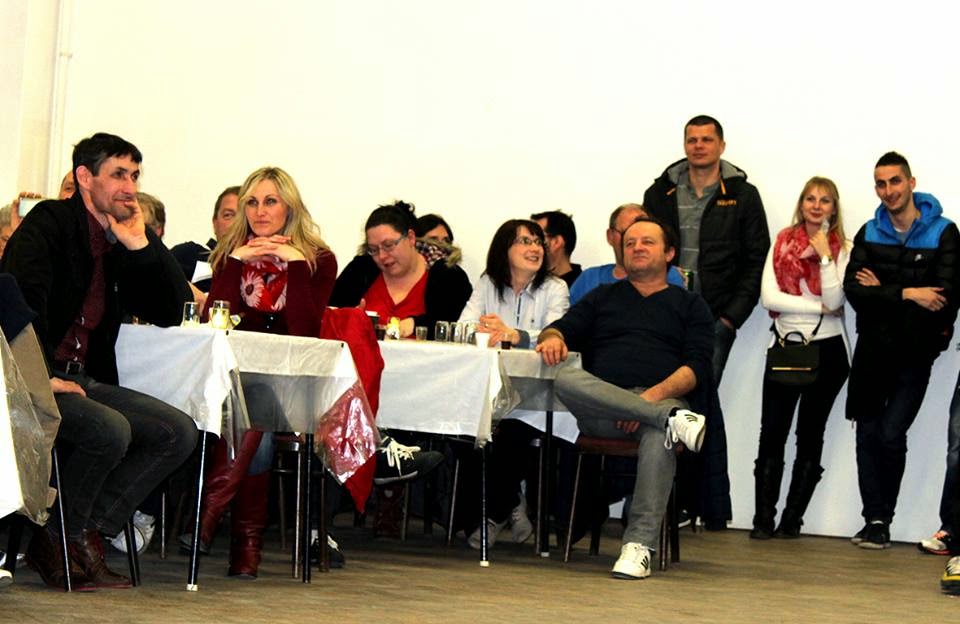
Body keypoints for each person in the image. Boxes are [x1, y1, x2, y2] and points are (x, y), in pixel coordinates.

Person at [0, 132, 197, 590]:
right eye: (119, 175)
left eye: (135, 176)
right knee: (109, 430)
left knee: (177, 432)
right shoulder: (50, 222)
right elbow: (18, 306)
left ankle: (72, 533)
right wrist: (39, 377)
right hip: (35, 377)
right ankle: (64, 538)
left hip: (85, 378)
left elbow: (171, 310)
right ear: (85, 177)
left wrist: (141, 243)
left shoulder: (117, 237)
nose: (130, 187)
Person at [537, 216, 711, 579]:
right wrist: (552, 338)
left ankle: (637, 547)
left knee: (659, 435)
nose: (637, 248)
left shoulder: (691, 305)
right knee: (565, 377)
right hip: (603, 412)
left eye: (647, 242)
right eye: (630, 243)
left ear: (669, 253)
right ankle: (669, 420)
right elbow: (560, 329)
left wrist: (648, 401)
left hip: (660, 400)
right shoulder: (602, 296)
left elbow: (696, 369)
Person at [184, 166, 337, 579]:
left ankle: (209, 515)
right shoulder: (231, 252)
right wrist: (236, 262)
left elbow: (305, 330)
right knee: (256, 414)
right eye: (251, 202)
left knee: (257, 405)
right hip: (233, 379)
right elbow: (218, 321)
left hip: (295, 382)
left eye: (270, 201)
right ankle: (245, 545)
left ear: (290, 207)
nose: (259, 211)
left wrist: (295, 264)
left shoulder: (319, 259)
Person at [844, 151, 959, 550]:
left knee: (891, 434)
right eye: (881, 183)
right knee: (867, 435)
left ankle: (884, 515)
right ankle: (875, 521)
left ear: (911, 182)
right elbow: (855, 292)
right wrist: (909, 292)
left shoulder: (944, 232)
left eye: (895, 181)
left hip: (915, 353)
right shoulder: (869, 231)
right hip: (871, 352)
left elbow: (943, 298)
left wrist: (883, 291)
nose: (888, 190)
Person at [457, 219, 569, 549]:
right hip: (492, 389)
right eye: (524, 241)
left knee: (512, 429)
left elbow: (558, 332)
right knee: (464, 430)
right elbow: (464, 326)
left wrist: (515, 335)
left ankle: (493, 515)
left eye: (538, 242)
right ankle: (511, 503)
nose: (535, 248)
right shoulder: (487, 284)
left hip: (538, 392)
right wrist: (482, 330)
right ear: (504, 249)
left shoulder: (555, 288)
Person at [751, 177, 851, 539]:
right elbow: (769, 298)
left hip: (828, 351)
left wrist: (824, 256)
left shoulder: (843, 249)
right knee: (771, 433)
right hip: (785, 346)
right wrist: (817, 307)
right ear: (801, 203)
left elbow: (837, 300)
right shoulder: (782, 241)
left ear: (834, 208)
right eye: (810, 198)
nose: (816, 206)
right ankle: (763, 520)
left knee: (810, 435)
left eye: (825, 200)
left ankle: (792, 520)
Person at [643, 114, 770, 385]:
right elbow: (645, 251)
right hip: (664, 314)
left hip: (714, 319)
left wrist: (731, 317)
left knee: (702, 398)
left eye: (707, 140)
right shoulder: (659, 194)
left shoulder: (743, 196)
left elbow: (757, 260)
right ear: (684, 145)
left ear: (721, 146)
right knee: (655, 393)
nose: (699, 146)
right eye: (692, 140)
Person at [331, 200, 472, 339]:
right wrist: (347, 319)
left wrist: (414, 324)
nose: (382, 256)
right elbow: (328, 314)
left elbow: (459, 325)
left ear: (411, 238)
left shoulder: (449, 276)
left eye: (388, 245)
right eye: (373, 249)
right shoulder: (360, 270)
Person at [570, 203, 685, 305]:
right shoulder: (588, 279)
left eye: (646, 240)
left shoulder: (667, 275)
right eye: (627, 234)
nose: (637, 246)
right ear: (610, 236)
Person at [171, 185, 239, 294]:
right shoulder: (189, 255)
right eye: (228, 215)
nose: (235, 224)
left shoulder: (262, 267)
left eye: (242, 217)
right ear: (215, 223)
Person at [531, 210, 581, 288]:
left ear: (556, 242)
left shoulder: (584, 287)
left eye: (537, 239)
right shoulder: (528, 283)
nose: (530, 246)